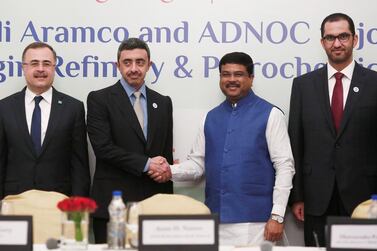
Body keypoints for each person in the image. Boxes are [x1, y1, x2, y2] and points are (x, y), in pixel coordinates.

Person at [155, 52, 295, 246]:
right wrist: (169, 170)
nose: (231, 80)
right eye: (225, 74)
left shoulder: (271, 114)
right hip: (215, 220)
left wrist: (277, 216)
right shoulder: (210, 117)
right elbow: (198, 164)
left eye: (238, 74)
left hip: (256, 222)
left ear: (251, 78)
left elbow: (285, 167)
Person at [288, 13, 377, 246]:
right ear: (322, 42)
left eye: (343, 36)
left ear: (355, 40)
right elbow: (296, 143)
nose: (337, 43)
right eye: (330, 38)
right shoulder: (303, 85)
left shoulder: (374, 84)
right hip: (317, 197)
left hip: (365, 198)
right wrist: (297, 196)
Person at [87, 38, 173, 243]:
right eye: (127, 62)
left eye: (140, 62)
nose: (133, 68)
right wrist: (147, 164)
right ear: (118, 65)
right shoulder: (99, 99)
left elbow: (165, 153)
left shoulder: (163, 102)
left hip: (155, 204)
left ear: (149, 65)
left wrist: (165, 170)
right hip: (113, 205)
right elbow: (103, 148)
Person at [0, 42, 90, 199]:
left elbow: (79, 165)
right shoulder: (4, 108)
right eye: (34, 63)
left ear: (54, 67)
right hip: (14, 201)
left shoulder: (73, 108)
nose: (41, 69)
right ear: (24, 67)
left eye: (46, 64)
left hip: (59, 200)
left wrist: (78, 207)